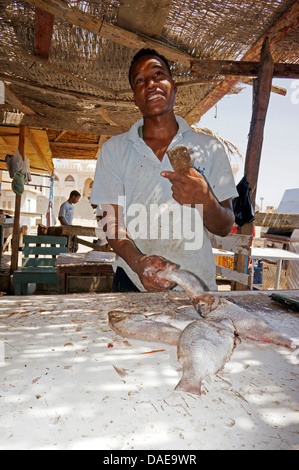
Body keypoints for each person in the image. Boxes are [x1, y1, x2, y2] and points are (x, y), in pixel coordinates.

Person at [90, 48, 238, 292]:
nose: (150, 83)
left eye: (159, 74)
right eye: (140, 80)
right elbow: (110, 221)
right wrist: (138, 263)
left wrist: (206, 201)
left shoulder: (210, 148)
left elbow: (224, 226)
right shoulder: (113, 150)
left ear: (174, 87)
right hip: (132, 281)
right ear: (135, 97)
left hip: (196, 286)